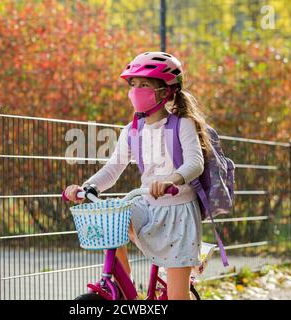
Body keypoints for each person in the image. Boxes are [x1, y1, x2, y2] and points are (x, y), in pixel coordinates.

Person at [64, 51, 215, 300]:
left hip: (178, 214)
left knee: (178, 296)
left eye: (144, 84)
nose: (135, 90)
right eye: (133, 84)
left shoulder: (182, 124)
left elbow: (195, 163)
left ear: (166, 92)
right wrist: (87, 187)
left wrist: (172, 180)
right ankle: (124, 290)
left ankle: (179, 273)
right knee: (113, 218)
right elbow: (113, 168)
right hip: (147, 206)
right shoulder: (132, 131)